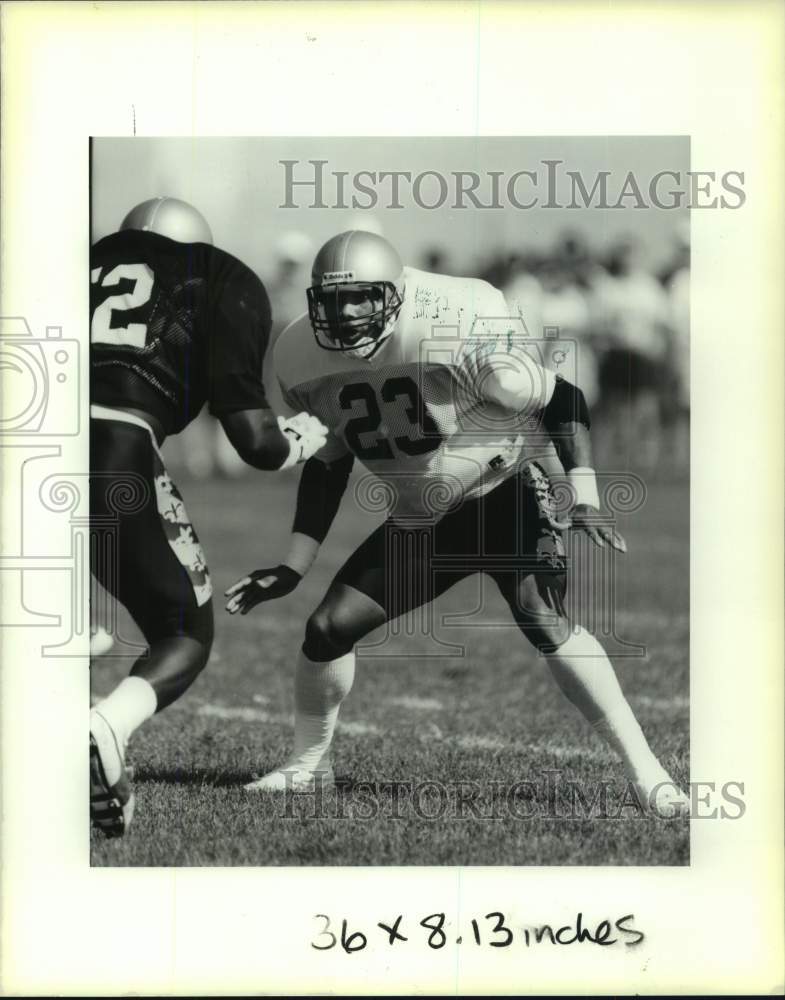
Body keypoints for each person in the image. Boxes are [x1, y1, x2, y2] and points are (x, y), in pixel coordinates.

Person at [226, 229, 688, 816]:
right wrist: (295, 563)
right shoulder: (299, 353)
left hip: (506, 490)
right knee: (327, 629)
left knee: (544, 620)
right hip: (422, 517)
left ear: (392, 294)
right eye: (331, 300)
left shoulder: (455, 323)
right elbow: (329, 463)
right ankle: (307, 767)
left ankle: (648, 773)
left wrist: (586, 495)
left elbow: (561, 397)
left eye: (360, 298)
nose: (342, 314)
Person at [89, 196, 327, 837]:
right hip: (114, 447)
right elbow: (255, 442)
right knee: (182, 632)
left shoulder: (74, 260)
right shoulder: (219, 276)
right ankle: (103, 726)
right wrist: (302, 438)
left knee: (58, 619)